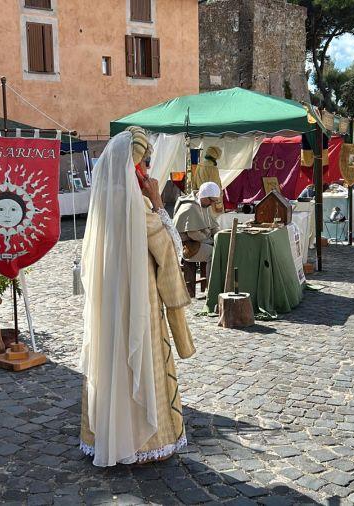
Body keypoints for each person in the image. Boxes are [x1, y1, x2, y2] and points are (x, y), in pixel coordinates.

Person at [79, 128, 196, 467]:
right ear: (133, 165)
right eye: (143, 162)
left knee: (111, 357)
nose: (146, 169)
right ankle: (146, 443)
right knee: (140, 360)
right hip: (139, 299)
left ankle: (106, 436)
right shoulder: (140, 204)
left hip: (108, 301)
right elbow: (173, 250)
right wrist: (159, 203)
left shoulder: (102, 198)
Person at [173, 182, 221, 264]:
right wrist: (211, 241)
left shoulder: (205, 204)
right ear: (203, 195)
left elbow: (213, 227)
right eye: (211, 200)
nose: (212, 204)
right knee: (215, 254)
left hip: (201, 241)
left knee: (222, 249)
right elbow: (193, 234)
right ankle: (211, 277)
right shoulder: (190, 207)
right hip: (187, 245)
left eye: (214, 201)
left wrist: (219, 237)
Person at [192, 146, 224, 214]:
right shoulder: (213, 168)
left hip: (200, 199)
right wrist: (218, 203)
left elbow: (194, 183)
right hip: (211, 201)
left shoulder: (199, 165)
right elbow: (216, 187)